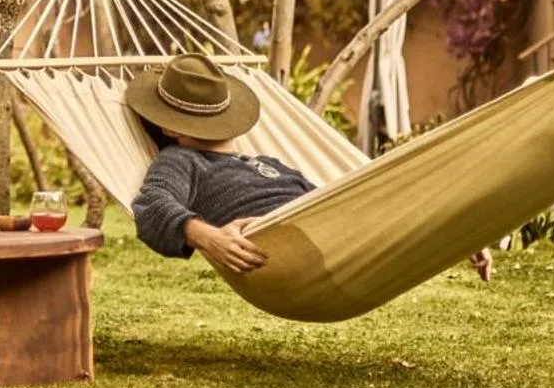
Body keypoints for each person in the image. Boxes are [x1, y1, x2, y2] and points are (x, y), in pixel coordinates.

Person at [129, 51, 491, 281]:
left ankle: (455, 226)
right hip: (294, 245)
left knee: (404, 179)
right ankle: (451, 220)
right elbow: (152, 205)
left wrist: (450, 234)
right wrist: (211, 237)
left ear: (168, 121)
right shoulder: (181, 160)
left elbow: (338, 206)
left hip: (336, 227)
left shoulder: (265, 162)